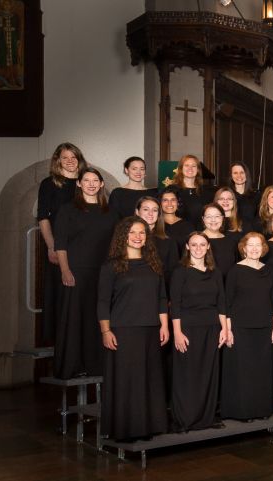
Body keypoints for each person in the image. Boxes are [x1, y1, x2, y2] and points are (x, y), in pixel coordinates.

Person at [98, 217, 170, 442]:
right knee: (127, 381)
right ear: (123, 236)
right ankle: (126, 429)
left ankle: (150, 426)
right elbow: (102, 301)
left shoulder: (153, 264)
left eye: (142, 233)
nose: (138, 237)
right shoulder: (112, 265)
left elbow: (161, 298)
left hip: (151, 329)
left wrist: (164, 325)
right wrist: (105, 331)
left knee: (149, 380)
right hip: (124, 330)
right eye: (133, 232)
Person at [54, 167, 118, 378]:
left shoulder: (111, 212)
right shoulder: (68, 209)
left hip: (104, 273)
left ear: (101, 184)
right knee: (74, 320)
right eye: (86, 180)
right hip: (77, 271)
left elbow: (117, 246)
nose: (91, 184)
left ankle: (96, 366)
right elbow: (60, 243)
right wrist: (65, 270)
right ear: (79, 184)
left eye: (95, 180)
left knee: (98, 319)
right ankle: (72, 366)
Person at [169, 232, 229, 432]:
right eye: (194, 244)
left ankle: (206, 418)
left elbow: (221, 302)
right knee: (188, 374)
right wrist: (177, 332)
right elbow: (174, 304)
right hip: (188, 329)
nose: (198, 248)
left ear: (208, 247)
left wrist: (224, 329)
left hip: (212, 328)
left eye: (202, 244)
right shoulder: (180, 272)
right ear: (187, 247)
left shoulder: (215, 272)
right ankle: (186, 419)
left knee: (208, 373)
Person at [222, 232, 273, 421]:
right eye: (251, 245)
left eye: (258, 245)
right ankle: (243, 411)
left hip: (264, 327)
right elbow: (227, 303)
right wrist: (228, 329)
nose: (255, 248)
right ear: (244, 248)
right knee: (243, 371)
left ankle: (261, 409)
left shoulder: (268, 270)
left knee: (261, 370)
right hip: (240, 327)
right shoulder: (235, 271)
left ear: (263, 248)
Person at [38, 143, 85, 343]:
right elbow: (43, 218)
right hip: (59, 247)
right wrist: (51, 246)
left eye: (74, 157)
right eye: (65, 158)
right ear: (58, 160)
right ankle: (60, 345)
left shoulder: (87, 182)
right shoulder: (49, 184)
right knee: (60, 294)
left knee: (81, 297)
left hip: (83, 248)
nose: (70, 161)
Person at [136, 196, 180, 284]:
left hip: (160, 291)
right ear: (137, 212)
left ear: (159, 214)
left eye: (155, 210)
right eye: (146, 209)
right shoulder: (127, 237)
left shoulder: (168, 240)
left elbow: (173, 272)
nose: (150, 213)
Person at [167, 154, 213, 225]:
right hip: (178, 231)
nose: (190, 168)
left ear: (198, 170)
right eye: (187, 165)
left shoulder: (206, 191)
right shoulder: (171, 190)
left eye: (193, 166)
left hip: (200, 232)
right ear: (181, 169)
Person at [199, 204, 240, 279]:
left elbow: (235, 268)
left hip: (228, 286)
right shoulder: (196, 241)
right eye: (209, 217)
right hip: (205, 287)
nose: (213, 220)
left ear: (223, 218)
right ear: (203, 219)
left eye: (217, 216)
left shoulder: (231, 241)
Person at [228, 163, 259, 229]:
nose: (239, 175)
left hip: (250, 231)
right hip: (231, 230)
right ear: (231, 176)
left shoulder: (256, 195)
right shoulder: (227, 195)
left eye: (242, 172)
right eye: (235, 173)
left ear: (246, 175)